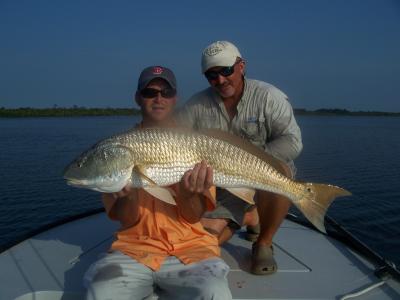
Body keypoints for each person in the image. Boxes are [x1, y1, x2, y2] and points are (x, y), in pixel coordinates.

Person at [84, 66, 232, 300]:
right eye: (150, 92)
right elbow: (127, 220)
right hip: (134, 250)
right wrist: (128, 196)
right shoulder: (117, 152)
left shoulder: (197, 145)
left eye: (166, 92)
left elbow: (194, 217)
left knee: (215, 293)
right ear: (137, 98)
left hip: (192, 249)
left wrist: (188, 194)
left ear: (175, 98)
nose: (158, 98)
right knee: (100, 292)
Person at [177, 41, 303, 275]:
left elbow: (293, 141)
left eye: (226, 71)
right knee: (207, 241)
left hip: (264, 176)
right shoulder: (195, 105)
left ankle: (264, 243)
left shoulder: (269, 96)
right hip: (222, 183)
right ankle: (250, 215)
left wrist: (253, 161)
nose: (220, 80)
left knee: (283, 171)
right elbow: (175, 141)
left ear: (241, 66)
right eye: (211, 75)